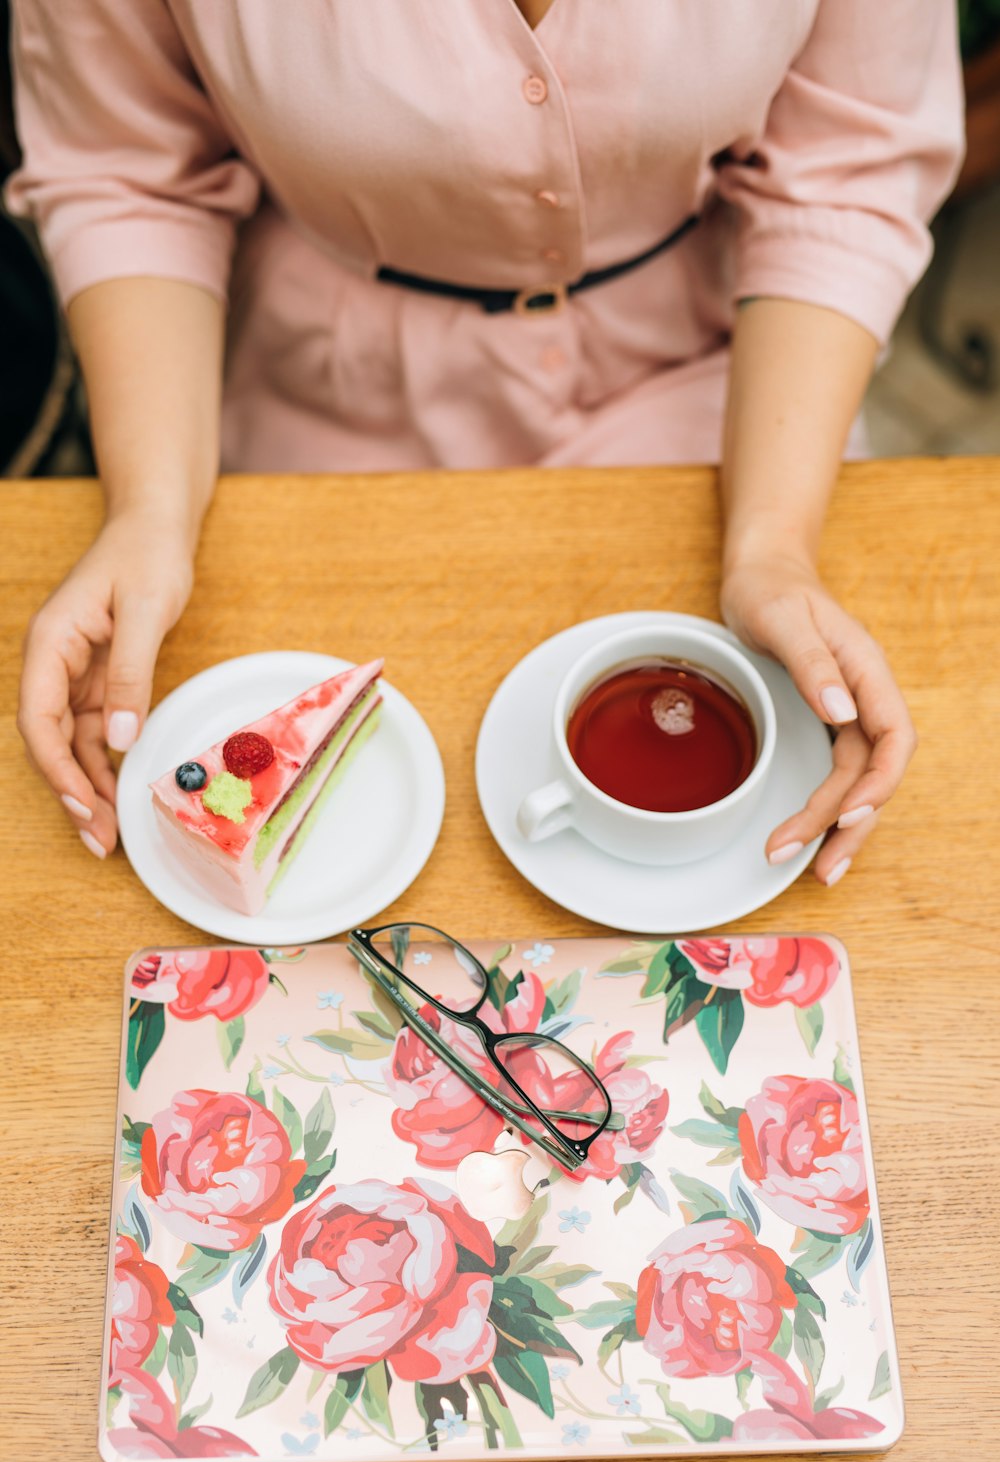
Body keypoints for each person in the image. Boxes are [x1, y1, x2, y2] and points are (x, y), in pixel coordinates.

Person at [7, 1, 963, 881]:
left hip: (735, 382)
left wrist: (776, 546)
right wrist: (149, 511)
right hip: (324, 392)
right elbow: (133, 173)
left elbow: (844, 172)